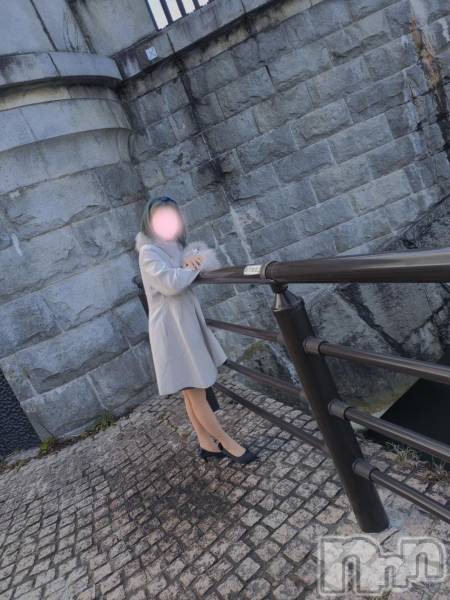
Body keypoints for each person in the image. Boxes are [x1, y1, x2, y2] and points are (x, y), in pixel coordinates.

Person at [135, 195, 258, 464]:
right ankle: (228, 444)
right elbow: (170, 283)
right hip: (172, 329)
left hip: (183, 324)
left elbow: (186, 267)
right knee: (195, 390)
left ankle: (207, 445)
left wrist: (192, 261)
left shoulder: (172, 246)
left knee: (191, 391)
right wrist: (194, 265)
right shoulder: (149, 251)